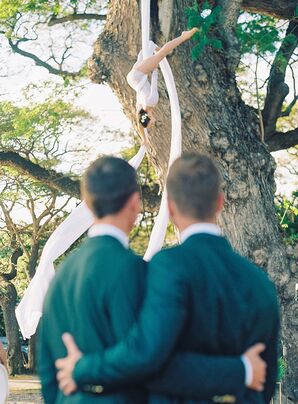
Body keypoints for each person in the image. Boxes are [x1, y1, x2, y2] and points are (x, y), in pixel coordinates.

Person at [52, 155, 273, 403]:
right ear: (220, 202)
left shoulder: (167, 267)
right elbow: (264, 381)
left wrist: (82, 368)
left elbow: (149, 361)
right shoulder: (260, 282)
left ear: (169, 207)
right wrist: (244, 371)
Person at [127, 28, 198, 145]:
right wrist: (144, 138)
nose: (154, 123)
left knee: (162, 53)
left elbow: (154, 83)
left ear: (149, 116)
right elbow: (139, 124)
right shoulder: (140, 109)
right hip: (133, 79)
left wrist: (155, 69)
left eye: (151, 123)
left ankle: (183, 36)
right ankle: (152, 47)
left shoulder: (151, 102)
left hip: (138, 76)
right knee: (152, 52)